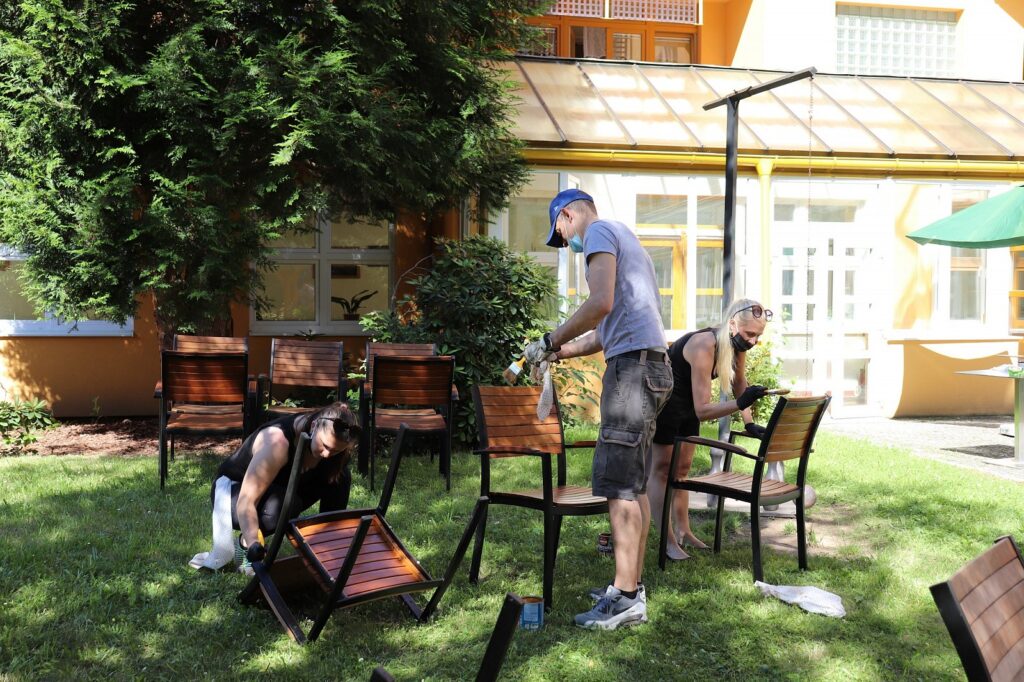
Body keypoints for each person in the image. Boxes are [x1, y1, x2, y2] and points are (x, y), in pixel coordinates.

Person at [524, 188, 672, 630]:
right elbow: (605, 330)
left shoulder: (598, 233)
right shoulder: (625, 239)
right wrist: (558, 352)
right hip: (651, 367)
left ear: (568, 215)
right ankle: (630, 587)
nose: (565, 242)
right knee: (634, 484)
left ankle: (624, 599)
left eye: (560, 233)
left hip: (632, 373)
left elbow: (599, 303)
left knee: (618, 484)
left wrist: (548, 338)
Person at [646, 298, 771, 561]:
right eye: (750, 334)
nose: (753, 341)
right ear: (732, 324)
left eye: (758, 336)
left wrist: (748, 421)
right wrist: (740, 404)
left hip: (688, 409)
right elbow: (704, 409)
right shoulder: (704, 345)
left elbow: (739, 384)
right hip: (665, 406)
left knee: (681, 472)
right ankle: (667, 541)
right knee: (661, 472)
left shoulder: (735, 345)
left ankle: (684, 531)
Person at [189, 402, 358, 573]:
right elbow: (246, 501)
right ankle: (244, 544)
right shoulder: (277, 442)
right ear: (314, 426)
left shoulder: (336, 449)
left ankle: (327, 548)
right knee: (285, 505)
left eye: (335, 451)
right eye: (325, 446)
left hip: (278, 487)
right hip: (232, 494)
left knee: (340, 476)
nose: (327, 454)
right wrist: (253, 544)